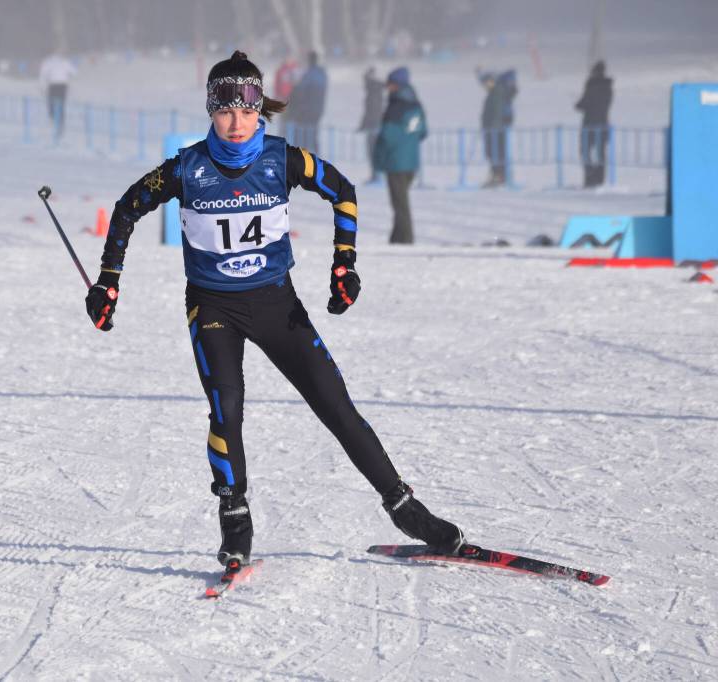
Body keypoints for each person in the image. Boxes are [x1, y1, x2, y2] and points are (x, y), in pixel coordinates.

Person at [84, 51, 465, 573]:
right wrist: (108, 281)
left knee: (336, 406)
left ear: (259, 109)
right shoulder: (186, 168)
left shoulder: (282, 159)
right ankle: (235, 522)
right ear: (211, 111)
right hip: (214, 306)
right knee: (227, 407)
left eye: (246, 111)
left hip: (275, 304)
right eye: (225, 112)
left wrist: (344, 266)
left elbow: (343, 191)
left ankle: (407, 511)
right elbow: (127, 209)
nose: (236, 124)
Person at [372, 67, 427, 245]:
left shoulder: (396, 106)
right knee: (400, 202)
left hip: (396, 161)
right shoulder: (416, 105)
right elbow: (423, 132)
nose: (387, 88)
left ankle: (405, 239)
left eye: (390, 84)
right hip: (411, 162)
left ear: (397, 85)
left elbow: (387, 135)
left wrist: (379, 153)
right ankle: (396, 237)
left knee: (400, 204)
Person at [575, 60, 613, 188]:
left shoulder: (592, 86)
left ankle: (590, 178)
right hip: (603, 124)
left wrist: (579, 104)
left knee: (585, 151)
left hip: (589, 124)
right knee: (600, 153)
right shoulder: (608, 87)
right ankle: (599, 179)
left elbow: (584, 103)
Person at [478, 68, 518, 187]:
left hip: (495, 129)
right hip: (495, 129)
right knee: (495, 153)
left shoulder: (497, 92)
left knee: (496, 153)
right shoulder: (496, 92)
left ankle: (499, 176)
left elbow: (496, 111)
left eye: (486, 82)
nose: (485, 86)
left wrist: (492, 127)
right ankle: (498, 175)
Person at [286, 50, 328, 153]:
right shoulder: (321, 74)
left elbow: (301, 90)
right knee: (313, 132)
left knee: (303, 133)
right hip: (318, 108)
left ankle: (304, 154)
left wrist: (295, 86)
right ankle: (314, 152)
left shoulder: (309, 75)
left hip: (307, 109)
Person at [38, 51, 75, 140]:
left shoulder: (48, 62)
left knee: (51, 102)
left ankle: (53, 118)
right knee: (61, 103)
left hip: (53, 85)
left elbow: (43, 74)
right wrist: (66, 75)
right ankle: (61, 122)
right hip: (63, 85)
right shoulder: (65, 62)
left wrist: (42, 86)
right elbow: (74, 72)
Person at [358, 67, 385, 185]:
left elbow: (371, 111)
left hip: (374, 126)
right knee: (373, 152)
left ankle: (376, 176)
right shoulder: (374, 91)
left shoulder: (373, 93)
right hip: (375, 125)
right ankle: (375, 175)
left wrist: (366, 124)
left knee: (373, 152)